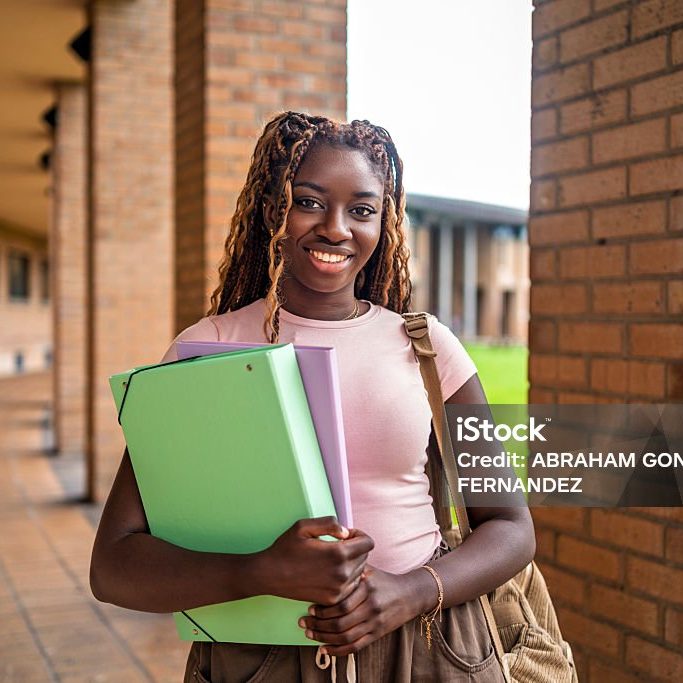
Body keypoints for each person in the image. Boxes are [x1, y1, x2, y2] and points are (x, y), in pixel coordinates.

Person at [90, 112, 535, 682]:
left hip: (428, 644)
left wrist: (408, 592)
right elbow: (114, 565)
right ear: (275, 209)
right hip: (260, 656)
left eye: (363, 209)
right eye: (309, 201)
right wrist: (261, 571)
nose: (336, 228)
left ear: (385, 223)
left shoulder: (427, 349)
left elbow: (512, 527)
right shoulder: (209, 349)